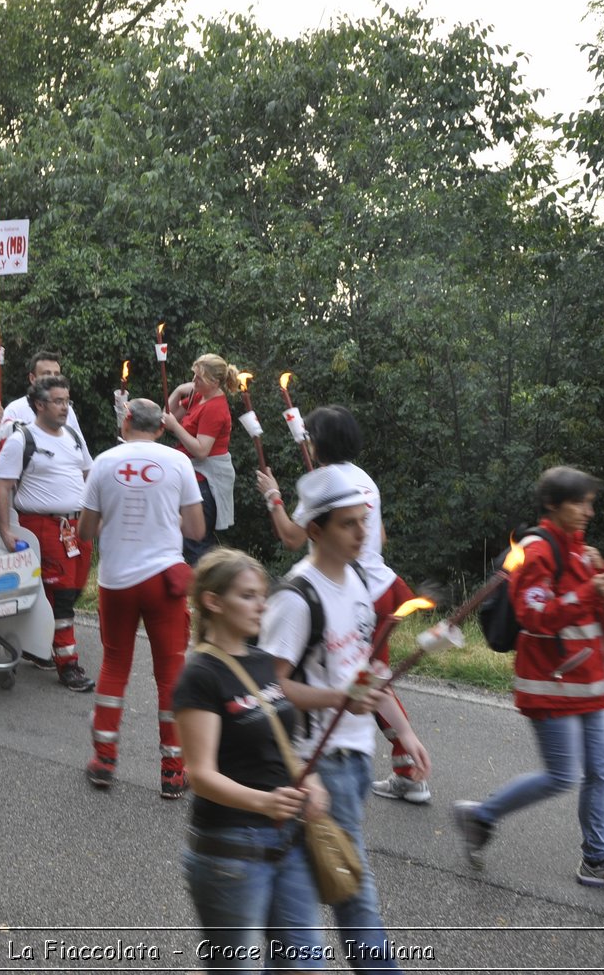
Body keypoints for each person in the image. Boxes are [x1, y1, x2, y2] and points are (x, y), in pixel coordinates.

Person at [451, 466, 604, 895]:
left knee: (602, 767)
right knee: (563, 775)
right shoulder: (537, 551)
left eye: (590, 502)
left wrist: (588, 573)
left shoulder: (576, 547)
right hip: (551, 685)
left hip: (585, 684)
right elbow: (535, 616)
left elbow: (575, 603)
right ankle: (480, 816)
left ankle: (597, 859)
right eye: (580, 503)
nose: (589, 511)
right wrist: (589, 593)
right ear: (553, 506)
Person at [259, 464, 429, 972]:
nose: (365, 533)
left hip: (353, 762)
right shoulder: (296, 597)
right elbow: (270, 687)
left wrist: (403, 733)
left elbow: (369, 669)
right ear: (315, 530)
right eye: (349, 524)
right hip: (316, 767)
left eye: (365, 520)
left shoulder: (357, 581)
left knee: (325, 892)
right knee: (352, 895)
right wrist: (337, 699)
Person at [257, 405, 434, 805]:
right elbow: (382, 536)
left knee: (358, 676)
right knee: (366, 674)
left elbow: (291, 537)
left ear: (316, 443)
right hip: (381, 583)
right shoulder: (364, 479)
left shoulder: (325, 484)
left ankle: (407, 768)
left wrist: (272, 495)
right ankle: (405, 764)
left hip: (357, 588)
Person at [173, 548, 332, 969]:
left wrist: (308, 781)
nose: (263, 605)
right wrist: (264, 801)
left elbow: (281, 745)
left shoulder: (262, 662)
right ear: (213, 602)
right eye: (248, 596)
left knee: (305, 964)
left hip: (287, 841)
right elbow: (201, 774)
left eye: (263, 595)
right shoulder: (201, 676)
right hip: (230, 852)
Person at [76, 399, 204, 796]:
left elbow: (85, 531)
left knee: (115, 665)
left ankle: (103, 760)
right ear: (162, 428)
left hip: (117, 580)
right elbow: (197, 530)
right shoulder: (179, 463)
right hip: (164, 579)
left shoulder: (104, 462)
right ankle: (172, 770)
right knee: (170, 672)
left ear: (126, 421)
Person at [0, 374, 96, 692]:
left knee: (73, 590)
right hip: (44, 526)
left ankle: (38, 641)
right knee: (63, 595)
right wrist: (6, 530)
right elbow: (1, 485)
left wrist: (96, 521)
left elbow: (89, 476)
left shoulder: (74, 438)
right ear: (39, 405)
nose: (65, 407)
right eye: (58, 401)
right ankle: (68, 664)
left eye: (67, 401)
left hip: (77, 527)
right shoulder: (22, 440)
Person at [162, 353, 238, 564]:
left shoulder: (215, 408)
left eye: (198, 378)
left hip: (205, 483)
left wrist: (175, 427)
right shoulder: (199, 395)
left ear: (214, 383)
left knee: (195, 545)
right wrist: (177, 391)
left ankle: (204, 592)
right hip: (191, 476)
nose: (193, 382)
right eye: (193, 376)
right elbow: (166, 416)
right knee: (186, 542)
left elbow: (202, 450)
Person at [0, 351, 87, 450]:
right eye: (47, 374)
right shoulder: (15, 410)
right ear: (32, 378)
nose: (53, 379)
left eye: (56, 374)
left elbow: (82, 452)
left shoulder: (67, 409)